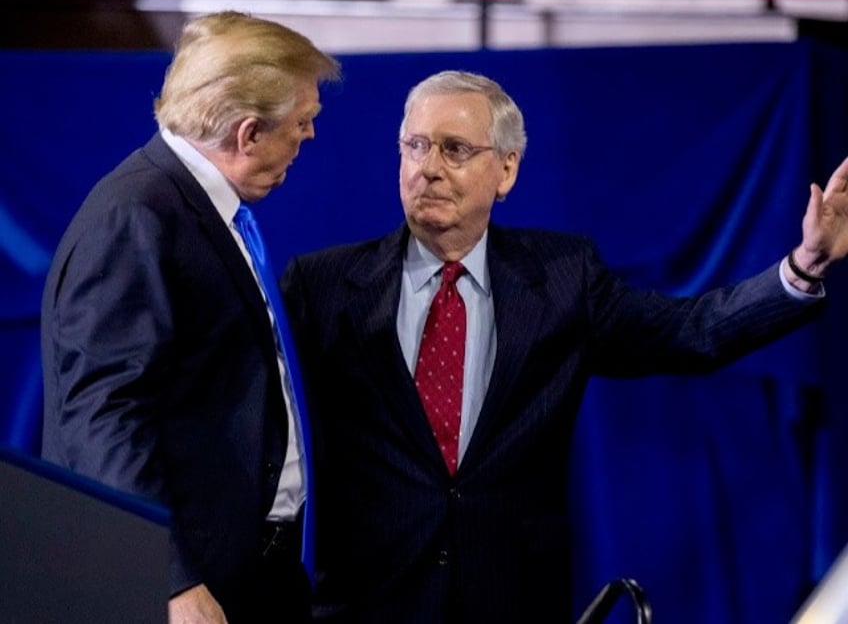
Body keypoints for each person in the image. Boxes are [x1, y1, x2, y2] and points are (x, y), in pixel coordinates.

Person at [280, 69, 848, 623]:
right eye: (415, 146)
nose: (427, 168)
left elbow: (690, 332)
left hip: (513, 597)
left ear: (506, 171)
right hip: (368, 601)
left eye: (453, 149)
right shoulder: (322, 285)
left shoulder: (561, 278)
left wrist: (804, 267)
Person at [40, 11, 340, 624]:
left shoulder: (195, 205)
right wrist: (171, 581)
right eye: (303, 123)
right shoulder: (136, 217)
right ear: (248, 133)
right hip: (187, 591)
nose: (310, 137)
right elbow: (104, 418)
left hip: (251, 573)